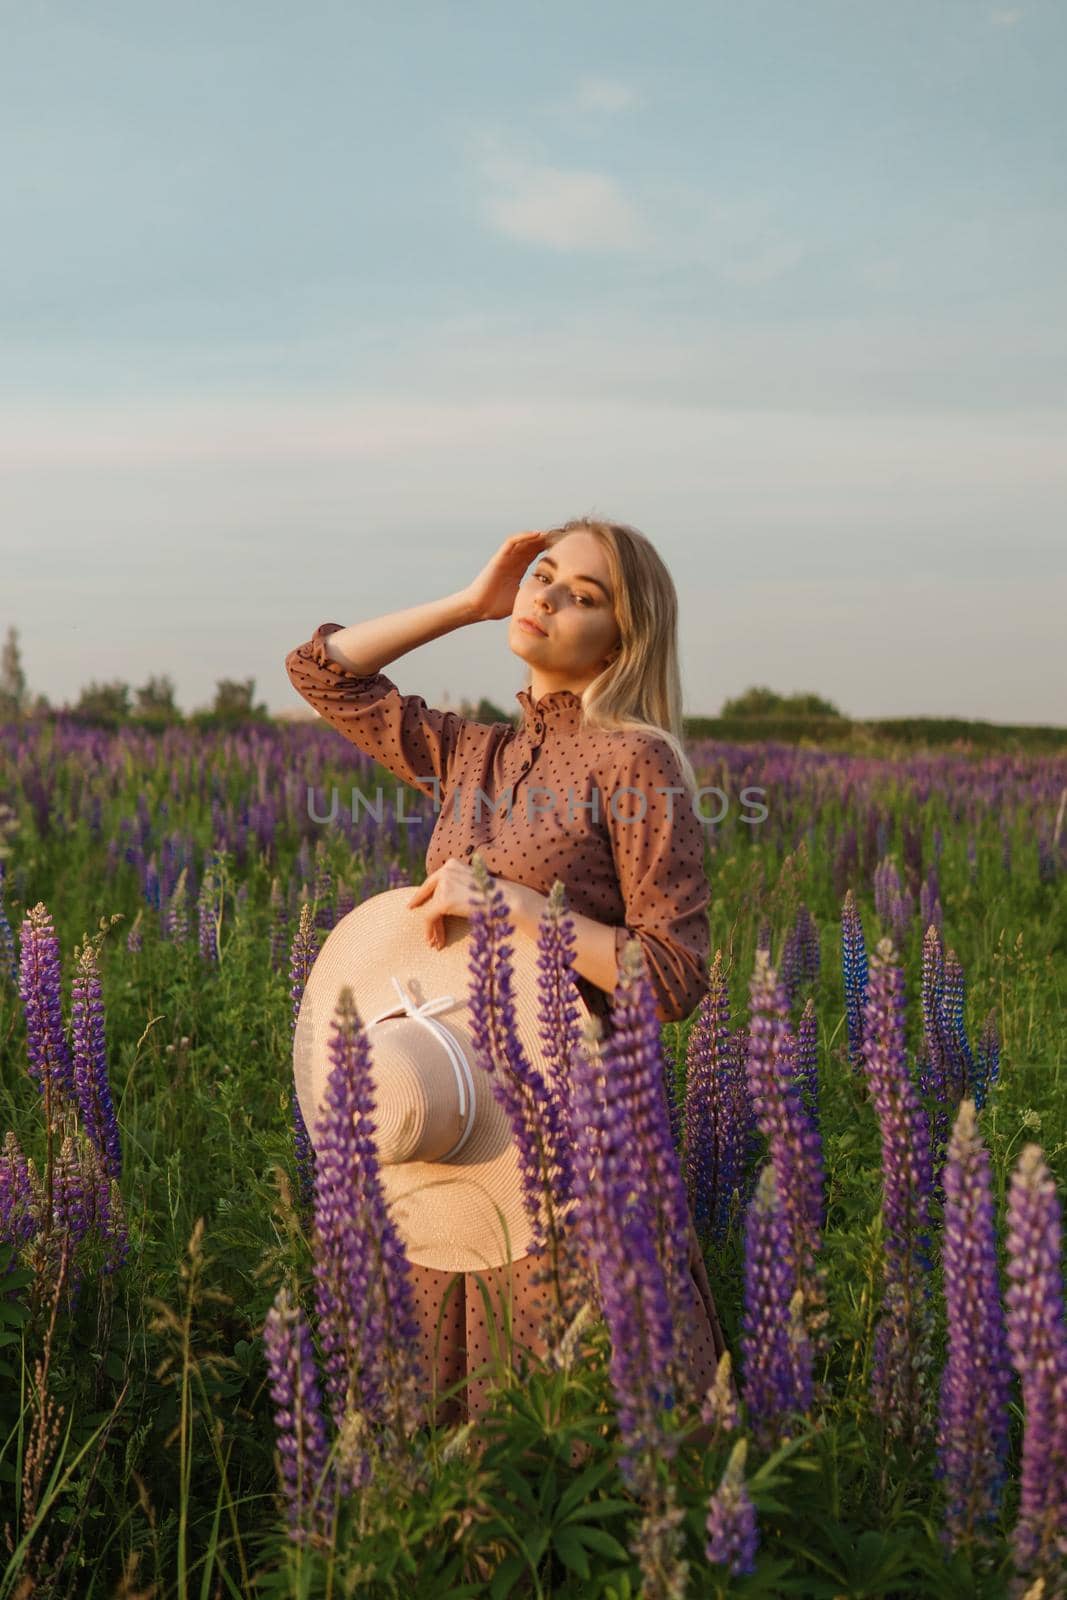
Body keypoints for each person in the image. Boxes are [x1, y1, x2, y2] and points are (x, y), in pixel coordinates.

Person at [284, 517, 731, 1444]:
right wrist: (468, 602)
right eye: (542, 576)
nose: (549, 597)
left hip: (576, 1154)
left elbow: (677, 975)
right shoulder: (471, 754)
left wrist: (517, 909)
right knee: (444, 1441)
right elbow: (321, 671)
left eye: (585, 594)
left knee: (571, 1441)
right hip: (455, 1119)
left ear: (625, 636)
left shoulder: (634, 760)